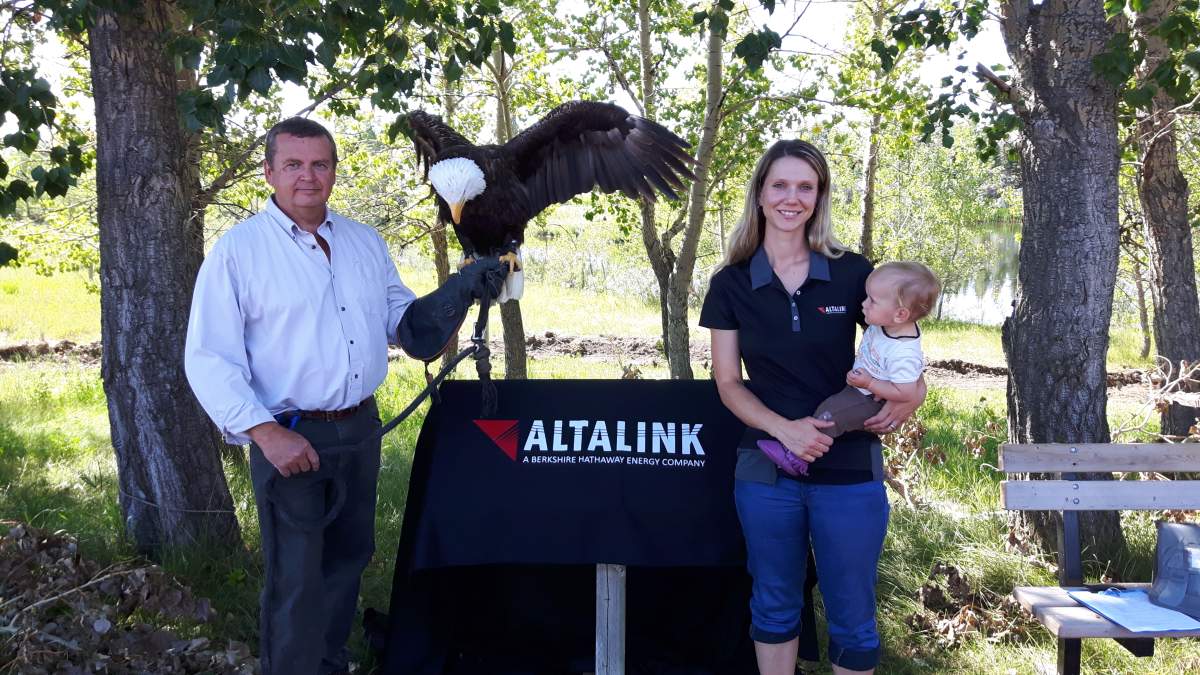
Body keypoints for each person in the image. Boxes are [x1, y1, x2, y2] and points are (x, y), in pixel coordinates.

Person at [184, 117, 504, 675]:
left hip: (360, 429)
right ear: (269, 172)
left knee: (348, 562)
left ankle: (328, 665)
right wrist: (265, 434)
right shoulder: (239, 253)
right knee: (297, 578)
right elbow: (209, 357)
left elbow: (407, 327)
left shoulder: (362, 242)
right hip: (289, 434)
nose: (308, 176)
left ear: (333, 171)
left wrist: (457, 292)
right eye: (293, 165)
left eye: (320, 164)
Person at [699, 139, 927, 675]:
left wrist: (914, 393)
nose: (791, 198)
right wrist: (786, 431)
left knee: (852, 613)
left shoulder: (852, 273)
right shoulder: (730, 283)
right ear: (759, 193)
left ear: (819, 196)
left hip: (849, 465)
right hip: (765, 463)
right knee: (775, 603)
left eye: (806, 186)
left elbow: (901, 342)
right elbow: (728, 383)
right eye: (780, 184)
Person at [760, 261, 939, 477]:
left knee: (830, 415)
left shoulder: (902, 352)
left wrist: (869, 383)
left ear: (900, 314)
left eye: (872, 301)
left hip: (870, 398)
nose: (863, 304)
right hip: (863, 387)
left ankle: (798, 458)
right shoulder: (890, 324)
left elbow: (906, 392)